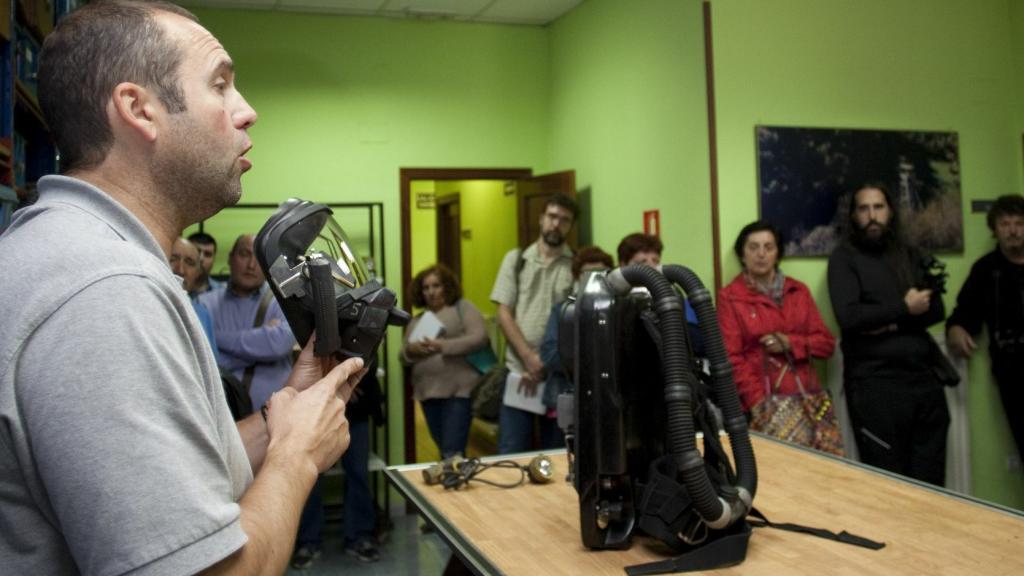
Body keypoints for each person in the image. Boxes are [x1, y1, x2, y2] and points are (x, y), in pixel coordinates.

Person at [0, 2, 366, 573]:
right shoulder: (105, 290)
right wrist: (298, 458)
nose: (248, 112)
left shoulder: (70, 251)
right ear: (138, 109)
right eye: (220, 84)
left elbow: (168, 483)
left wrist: (283, 418)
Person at [827, 183, 949, 485]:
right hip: (874, 386)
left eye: (878, 207)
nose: (872, 216)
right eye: (864, 209)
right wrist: (905, 308)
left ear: (890, 211)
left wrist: (886, 321)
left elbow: (936, 310)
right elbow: (850, 317)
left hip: (924, 383)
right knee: (888, 485)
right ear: (853, 215)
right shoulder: (844, 258)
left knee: (931, 485)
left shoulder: (909, 253)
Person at [717, 221, 837, 447]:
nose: (761, 254)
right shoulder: (730, 297)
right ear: (742, 254)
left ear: (777, 253)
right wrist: (758, 401)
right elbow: (730, 358)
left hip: (808, 400)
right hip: (762, 402)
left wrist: (791, 343)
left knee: (821, 472)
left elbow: (826, 344)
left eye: (768, 247)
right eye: (753, 247)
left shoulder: (798, 291)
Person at [491, 195, 577, 454]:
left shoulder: (576, 265)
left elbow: (575, 323)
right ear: (541, 218)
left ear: (570, 226)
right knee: (510, 453)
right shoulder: (516, 259)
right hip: (520, 373)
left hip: (559, 379)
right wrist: (529, 358)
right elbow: (503, 313)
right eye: (552, 217)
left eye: (564, 220)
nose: (556, 224)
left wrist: (545, 362)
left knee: (560, 455)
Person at [947, 195, 1024, 461]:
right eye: (1005, 224)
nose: (1013, 230)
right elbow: (964, 313)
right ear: (995, 229)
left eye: (1019, 223)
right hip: (1013, 372)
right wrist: (956, 329)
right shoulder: (986, 270)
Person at [199, 234, 297, 412]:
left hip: (277, 417)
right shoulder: (205, 304)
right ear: (230, 258)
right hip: (221, 418)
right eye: (244, 254)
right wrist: (261, 343)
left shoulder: (283, 301)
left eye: (259, 258)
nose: (251, 265)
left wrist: (216, 339)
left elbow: (279, 344)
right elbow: (205, 362)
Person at [401, 264, 489, 458]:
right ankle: (452, 483)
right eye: (426, 288)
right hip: (427, 393)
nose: (431, 292)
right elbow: (403, 356)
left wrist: (443, 346)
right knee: (445, 450)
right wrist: (412, 350)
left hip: (458, 392)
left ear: (447, 286)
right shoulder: (417, 320)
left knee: (452, 452)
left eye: (436, 285)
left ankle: (453, 484)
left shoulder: (462, 308)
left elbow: (479, 337)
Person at [538, 245, 614, 434]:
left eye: (601, 273)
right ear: (577, 275)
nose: (594, 279)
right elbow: (550, 354)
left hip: (607, 403)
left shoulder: (617, 311)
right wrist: (592, 360)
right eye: (587, 273)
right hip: (567, 401)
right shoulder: (563, 311)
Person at [616, 232, 703, 354]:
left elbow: (697, 342)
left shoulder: (674, 294)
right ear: (623, 265)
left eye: (655, 261)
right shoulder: (614, 300)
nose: (651, 266)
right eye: (642, 262)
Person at [170, 236, 218, 361]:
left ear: (198, 272)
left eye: (189, 263)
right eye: (172, 259)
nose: (180, 270)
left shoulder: (202, 313)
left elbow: (213, 364)